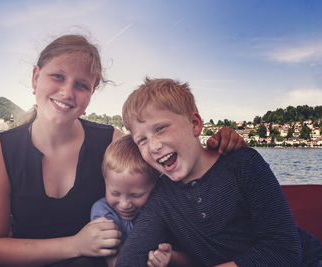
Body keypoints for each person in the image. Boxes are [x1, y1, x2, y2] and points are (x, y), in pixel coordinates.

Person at [0, 34, 246, 267]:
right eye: (57, 76)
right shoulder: (1, 150)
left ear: (91, 94)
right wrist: (76, 244)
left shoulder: (112, 143)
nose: (67, 92)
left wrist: (219, 145)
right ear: (35, 77)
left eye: (81, 85)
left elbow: (171, 169)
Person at [115, 78, 322, 267]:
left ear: (195, 124)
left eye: (160, 129)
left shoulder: (243, 164)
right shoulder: (161, 199)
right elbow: (131, 258)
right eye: (141, 140)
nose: (153, 146)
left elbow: (282, 252)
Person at [91, 134, 200, 267]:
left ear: (156, 187)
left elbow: (193, 260)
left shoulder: (162, 210)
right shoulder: (102, 211)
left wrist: (171, 258)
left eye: (136, 195)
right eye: (115, 193)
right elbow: (115, 263)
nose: (124, 204)